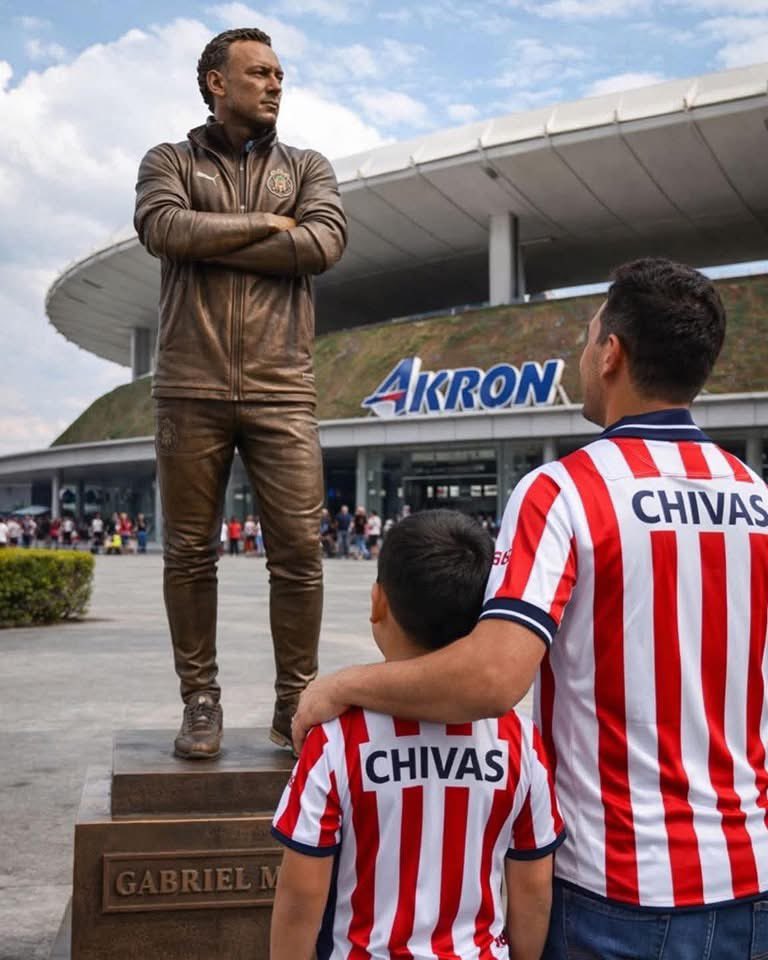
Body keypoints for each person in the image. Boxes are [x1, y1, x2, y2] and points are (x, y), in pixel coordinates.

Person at [294, 259, 768, 958]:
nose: (581, 357)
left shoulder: (565, 491)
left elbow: (491, 680)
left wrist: (340, 686)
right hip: (749, 879)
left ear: (611, 354)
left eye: (586, 339)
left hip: (616, 892)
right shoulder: (756, 496)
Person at [134, 25, 347, 759]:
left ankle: (297, 700)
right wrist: (262, 224)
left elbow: (322, 244)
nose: (275, 84)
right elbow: (162, 227)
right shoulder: (169, 160)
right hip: (189, 384)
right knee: (189, 553)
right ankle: (200, 699)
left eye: (281, 73)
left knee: (300, 551)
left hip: (282, 387)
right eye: (259, 72)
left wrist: (213, 235)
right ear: (217, 82)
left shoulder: (308, 166)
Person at [271, 510, 564, 960]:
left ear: (377, 603)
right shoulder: (520, 742)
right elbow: (533, 887)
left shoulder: (334, 740)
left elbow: (300, 897)